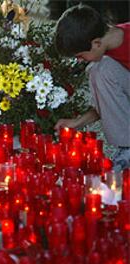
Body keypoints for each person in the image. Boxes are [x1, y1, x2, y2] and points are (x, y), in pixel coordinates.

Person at [54, 5, 130, 171]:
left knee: (101, 68)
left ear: (96, 43)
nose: (80, 60)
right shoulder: (106, 53)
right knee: (99, 70)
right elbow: (109, 104)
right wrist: (76, 122)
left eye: (80, 56)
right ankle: (127, 149)